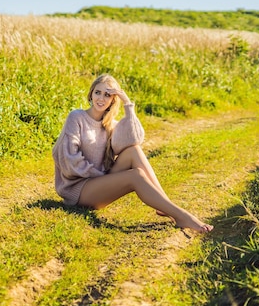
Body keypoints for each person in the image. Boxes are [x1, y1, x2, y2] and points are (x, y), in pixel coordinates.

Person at [52, 74, 213, 233]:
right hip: (79, 189)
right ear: (91, 94)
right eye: (98, 92)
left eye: (107, 95)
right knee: (135, 176)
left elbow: (135, 139)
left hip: (99, 181)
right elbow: (69, 159)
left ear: (112, 101)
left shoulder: (109, 125)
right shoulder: (77, 117)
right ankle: (181, 215)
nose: (101, 98)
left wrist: (128, 104)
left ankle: (166, 205)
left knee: (133, 150)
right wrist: (101, 176)